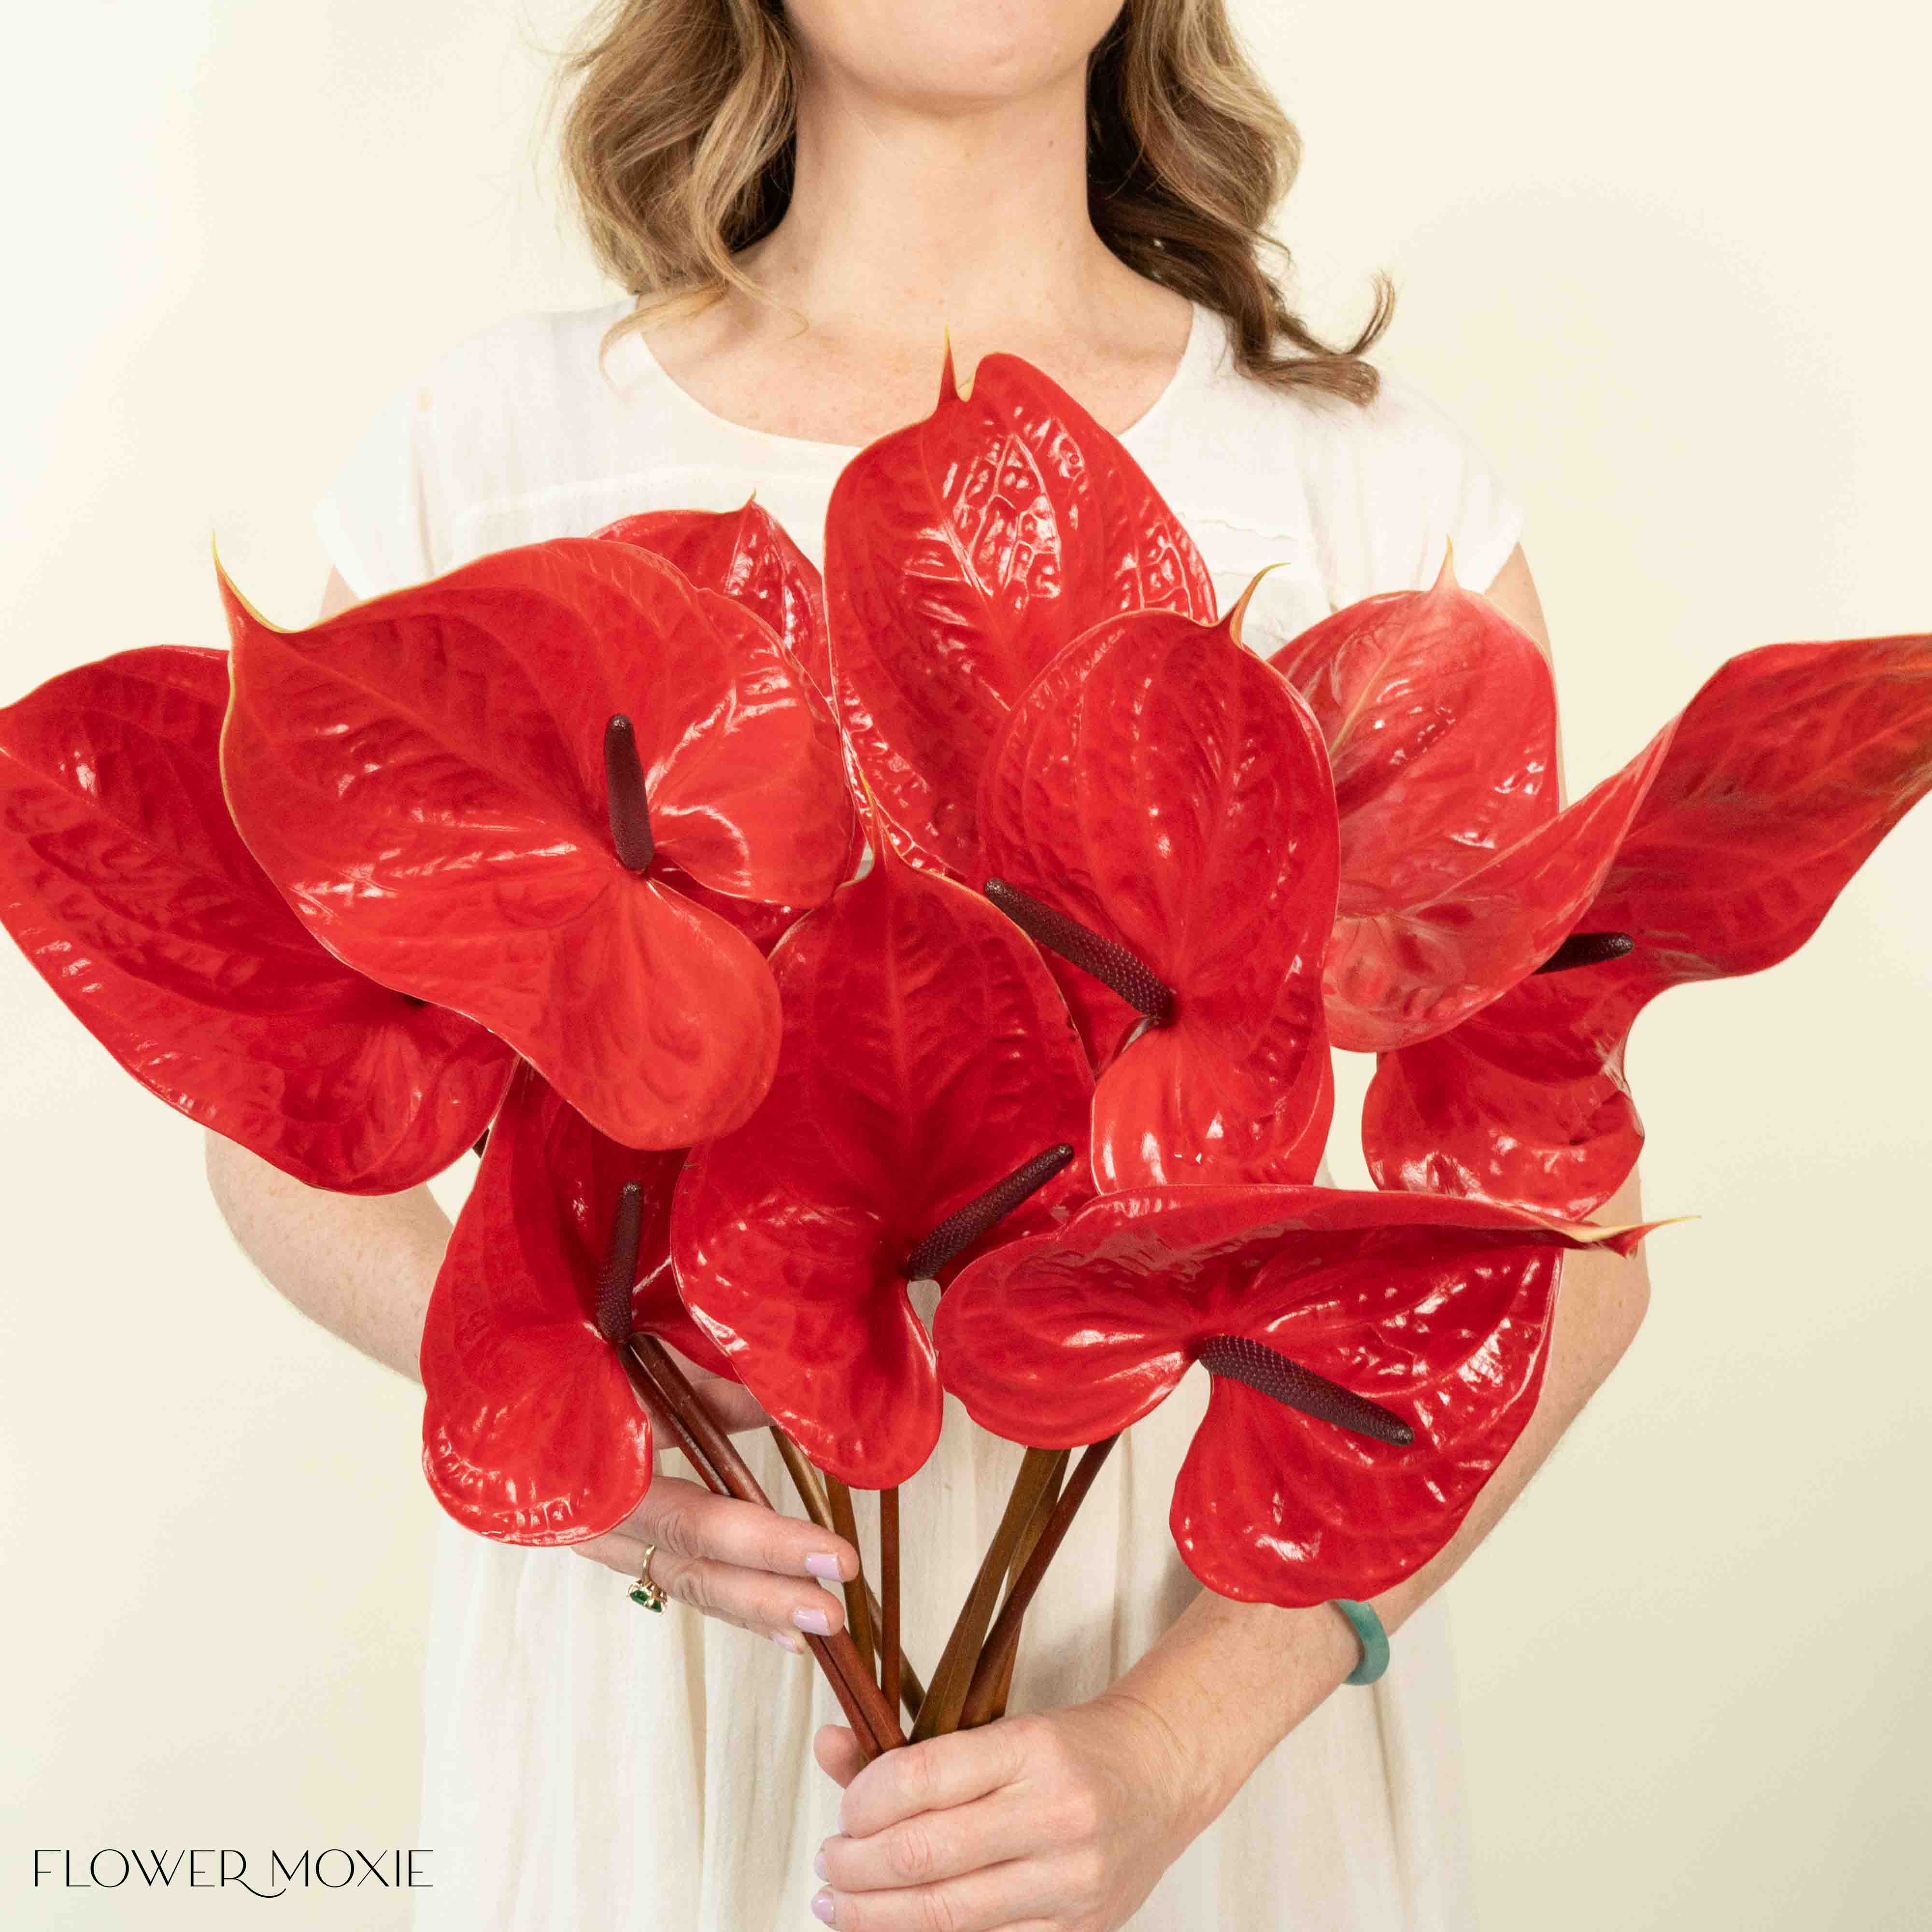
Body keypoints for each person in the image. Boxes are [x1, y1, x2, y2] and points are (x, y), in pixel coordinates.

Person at [206, 3, 1652, 1927]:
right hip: (684, 1693)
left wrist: (1170, 1743)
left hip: (1184, 1744)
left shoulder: (1369, 500)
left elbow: (1558, 1240)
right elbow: (283, 1108)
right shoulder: (490, 459)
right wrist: (600, 1446)